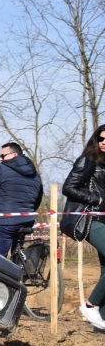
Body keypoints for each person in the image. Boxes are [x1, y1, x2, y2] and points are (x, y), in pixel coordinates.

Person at [62, 126, 105, 330]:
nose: (104, 142)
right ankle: (91, 305)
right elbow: (68, 187)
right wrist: (96, 199)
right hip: (91, 220)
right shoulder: (87, 161)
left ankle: (101, 323)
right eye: (101, 138)